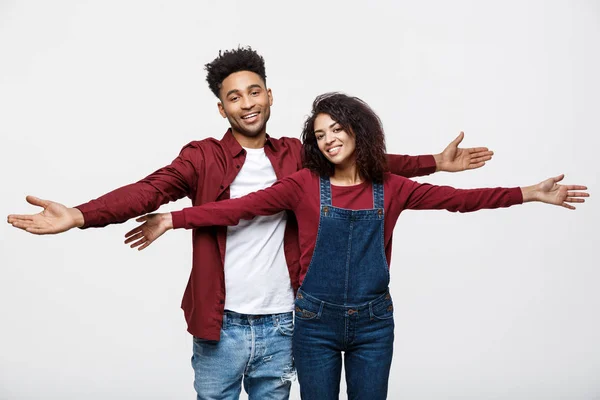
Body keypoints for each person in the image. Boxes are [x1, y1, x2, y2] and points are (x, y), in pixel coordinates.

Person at [7, 46, 498, 400]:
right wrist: (80, 215)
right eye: (234, 97)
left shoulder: (297, 157)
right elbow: (149, 189)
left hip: (288, 321)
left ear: (269, 96)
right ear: (222, 108)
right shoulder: (202, 157)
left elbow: (359, 158)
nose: (247, 103)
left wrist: (433, 161)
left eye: (254, 91)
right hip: (221, 324)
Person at [116, 92, 589, 400]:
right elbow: (235, 209)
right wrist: (173, 218)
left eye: (336, 129)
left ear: (357, 129)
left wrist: (529, 193)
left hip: (373, 323)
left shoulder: (394, 186)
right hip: (313, 323)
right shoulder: (302, 184)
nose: (329, 139)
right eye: (320, 135)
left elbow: (460, 202)